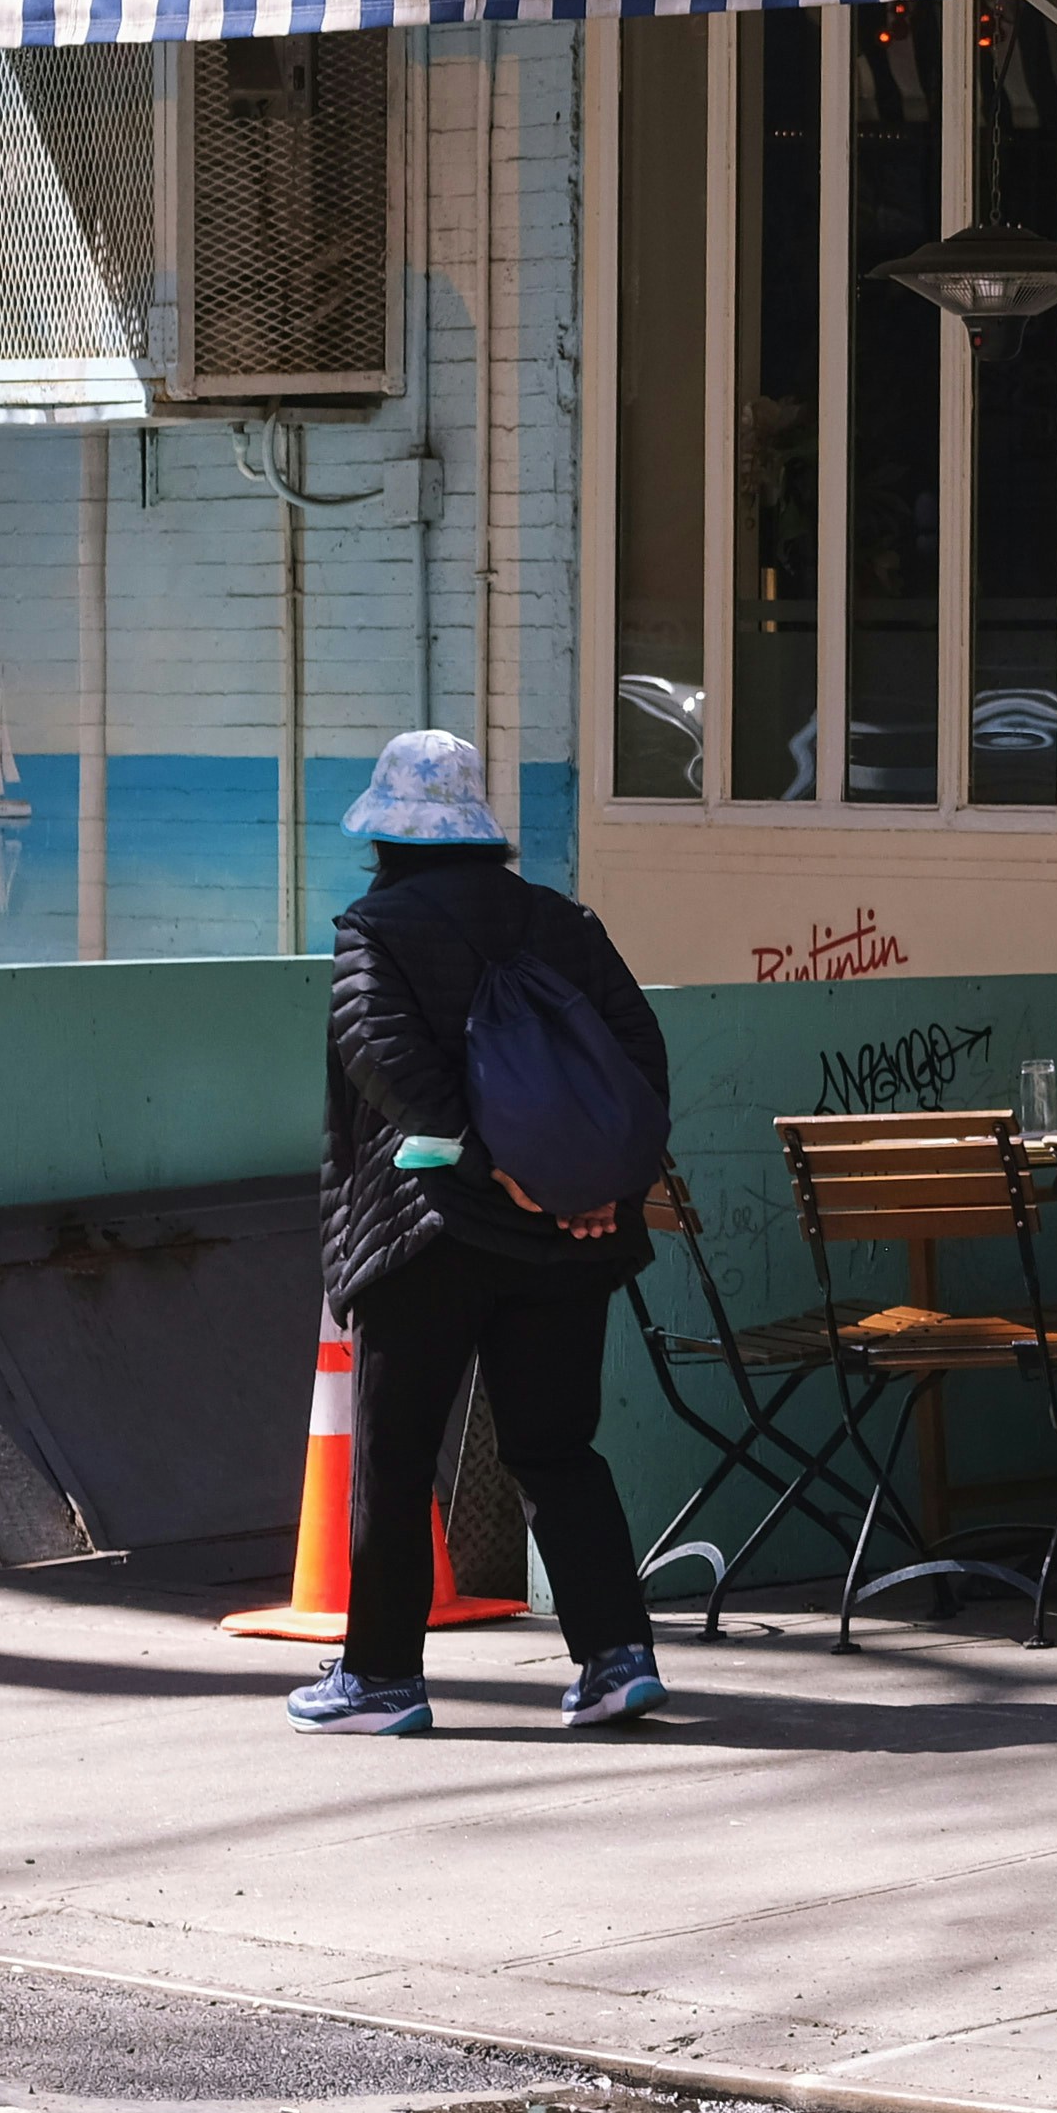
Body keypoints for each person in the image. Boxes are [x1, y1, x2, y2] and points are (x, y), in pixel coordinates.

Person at [291, 730, 680, 1740]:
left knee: (394, 1454)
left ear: (386, 834)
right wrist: (592, 1183)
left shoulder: (372, 928)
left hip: (428, 1230)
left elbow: (382, 1056)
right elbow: (638, 1058)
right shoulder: (566, 923)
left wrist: (484, 1163)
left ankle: (381, 1676)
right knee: (556, 1446)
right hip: (572, 1234)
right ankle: (615, 1656)